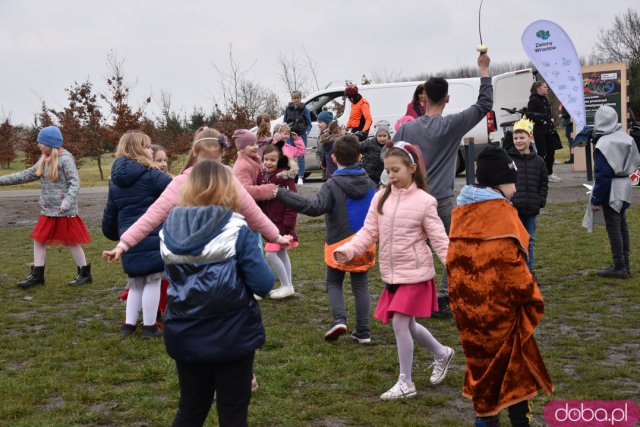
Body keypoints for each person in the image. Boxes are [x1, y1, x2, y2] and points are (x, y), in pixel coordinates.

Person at [333, 141, 454, 401]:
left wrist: (455, 268)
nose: (391, 175)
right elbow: (368, 232)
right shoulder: (380, 197)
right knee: (408, 325)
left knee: (400, 323)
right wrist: (350, 249)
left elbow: (440, 240)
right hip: (392, 275)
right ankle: (442, 353)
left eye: (396, 169)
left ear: (412, 168)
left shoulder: (425, 202)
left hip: (416, 274)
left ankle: (406, 382)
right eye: (388, 170)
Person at [160, 160, 274, 427]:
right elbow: (264, 283)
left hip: (184, 330)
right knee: (233, 409)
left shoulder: (168, 229)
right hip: (232, 333)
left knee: (191, 407)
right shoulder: (235, 227)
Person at [447, 145, 554, 427]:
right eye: (511, 183)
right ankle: (520, 421)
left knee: (481, 369)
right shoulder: (501, 216)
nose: (515, 190)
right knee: (515, 369)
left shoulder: (462, 212)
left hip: (468, 312)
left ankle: (486, 420)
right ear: (497, 182)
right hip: (500, 314)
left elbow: (454, 265)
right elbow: (512, 271)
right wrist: (532, 297)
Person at [394, 52, 493, 319]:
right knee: (451, 248)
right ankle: (443, 295)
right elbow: (485, 104)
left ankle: (415, 296)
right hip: (441, 201)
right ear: (447, 98)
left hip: (412, 200)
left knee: (415, 249)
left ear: (423, 98)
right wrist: (483, 69)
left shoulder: (406, 130)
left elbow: (389, 159)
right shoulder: (451, 125)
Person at [102, 127, 292, 263]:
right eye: (205, 159)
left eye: (215, 159)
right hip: (193, 255)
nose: (210, 164)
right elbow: (153, 215)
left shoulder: (228, 179)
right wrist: (124, 244)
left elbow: (252, 211)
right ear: (195, 155)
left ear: (221, 156)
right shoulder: (181, 182)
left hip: (221, 254)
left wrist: (276, 236)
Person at [276, 134, 377, 342]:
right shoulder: (370, 184)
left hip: (338, 244)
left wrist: (282, 194)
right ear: (360, 157)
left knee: (333, 282)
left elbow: (314, 208)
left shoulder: (332, 185)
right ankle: (363, 331)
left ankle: (339, 318)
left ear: (333, 158)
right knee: (361, 285)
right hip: (365, 244)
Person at [0, 126, 92, 288]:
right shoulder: (44, 159)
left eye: (41, 142)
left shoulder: (65, 159)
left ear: (51, 143)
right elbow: (26, 175)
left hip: (64, 211)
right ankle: (38, 275)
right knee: (39, 240)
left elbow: (75, 183)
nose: (38, 145)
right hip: (48, 210)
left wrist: (67, 203)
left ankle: (84, 274)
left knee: (72, 242)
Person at [102, 131, 172, 339]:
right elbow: (175, 192)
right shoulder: (151, 175)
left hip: (129, 236)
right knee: (152, 280)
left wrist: (114, 234)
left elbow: (110, 210)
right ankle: (150, 326)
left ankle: (129, 324)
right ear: (138, 149)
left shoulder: (115, 180)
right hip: (150, 234)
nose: (151, 150)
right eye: (148, 146)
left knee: (135, 282)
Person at [591, 105, 640, 279]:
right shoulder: (626, 138)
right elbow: (636, 161)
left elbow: (603, 175)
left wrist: (596, 199)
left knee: (614, 226)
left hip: (612, 187)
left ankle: (620, 265)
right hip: (625, 184)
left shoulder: (604, 143)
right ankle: (625, 263)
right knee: (622, 224)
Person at [507, 117, 548, 272]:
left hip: (531, 208)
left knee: (529, 240)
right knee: (514, 241)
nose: (518, 141)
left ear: (530, 138)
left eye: (522, 137)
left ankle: (529, 271)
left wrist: (540, 200)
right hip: (514, 209)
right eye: (515, 138)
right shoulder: (508, 159)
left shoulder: (539, 162)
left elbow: (543, 183)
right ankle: (516, 272)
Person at [259, 144, 299, 299]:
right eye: (266, 159)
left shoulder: (284, 177)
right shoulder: (262, 175)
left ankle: (285, 284)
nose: (268, 162)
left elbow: (293, 200)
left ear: (279, 161)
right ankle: (288, 285)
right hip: (269, 222)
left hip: (281, 223)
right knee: (281, 252)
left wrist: (288, 221)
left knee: (270, 253)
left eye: (272, 160)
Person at [232, 129, 278, 202]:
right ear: (241, 149)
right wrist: (269, 190)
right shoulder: (242, 166)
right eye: (251, 144)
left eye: (256, 143)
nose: (256, 146)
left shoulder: (255, 159)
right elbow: (245, 191)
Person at [528, 81, 561, 182]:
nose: (547, 88)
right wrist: (543, 122)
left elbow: (547, 113)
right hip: (540, 132)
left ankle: (549, 173)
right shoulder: (533, 100)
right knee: (543, 153)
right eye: (545, 87)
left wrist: (551, 119)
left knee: (551, 152)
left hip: (549, 131)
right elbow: (530, 115)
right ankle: (542, 175)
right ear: (538, 89)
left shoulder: (545, 99)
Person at [283, 91, 312, 186]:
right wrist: (285, 132)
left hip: (301, 135)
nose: (296, 100)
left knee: (301, 157)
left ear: (300, 98)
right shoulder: (288, 109)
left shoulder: (305, 110)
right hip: (290, 135)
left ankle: (300, 177)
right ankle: (289, 176)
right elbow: (285, 122)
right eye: (294, 98)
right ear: (292, 99)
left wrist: (307, 131)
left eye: (298, 98)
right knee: (288, 156)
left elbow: (309, 124)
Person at [360, 121, 390, 185]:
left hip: (381, 176)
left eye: (384, 136)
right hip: (368, 174)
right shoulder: (369, 142)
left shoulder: (389, 146)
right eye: (379, 136)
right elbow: (358, 147)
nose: (382, 138)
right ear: (376, 135)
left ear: (388, 136)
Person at [317, 111, 334, 180]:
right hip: (325, 169)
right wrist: (320, 165)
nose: (318, 124)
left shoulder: (332, 137)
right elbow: (317, 152)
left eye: (320, 122)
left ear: (328, 123)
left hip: (332, 168)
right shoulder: (320, 136)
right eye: (318, 122)